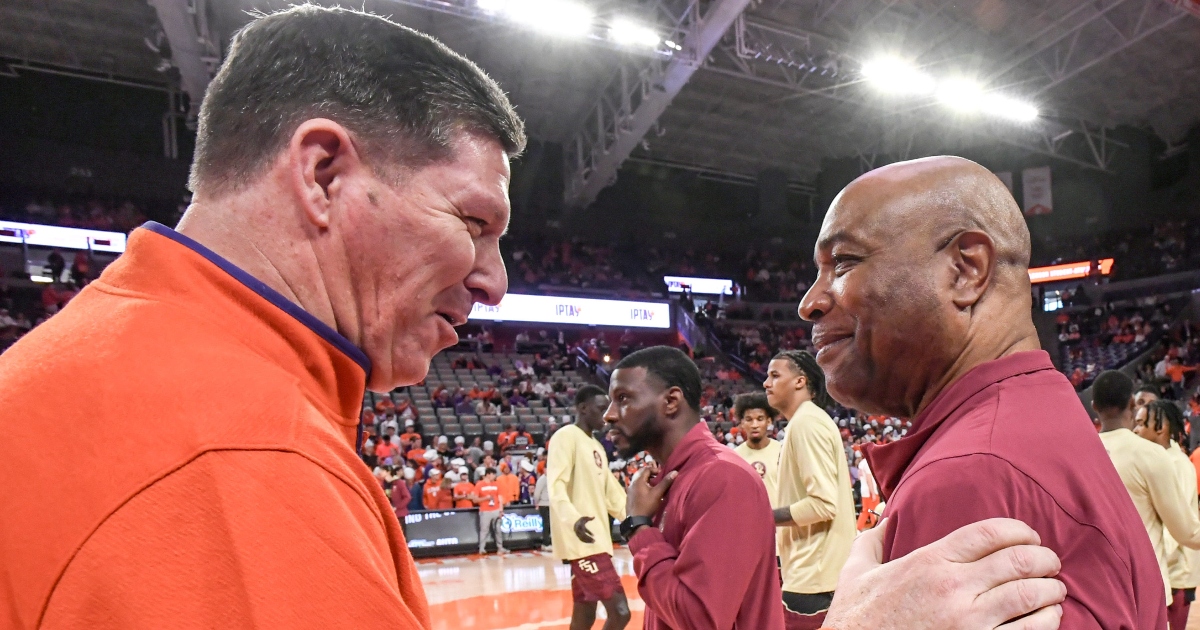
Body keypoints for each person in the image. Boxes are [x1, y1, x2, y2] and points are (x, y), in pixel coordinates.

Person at [0, 6, 525, 628]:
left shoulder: (76, 360)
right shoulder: (243, 457)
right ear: (322, 174)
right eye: (474, 224)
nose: (494, 283)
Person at [802, 155, 1164, 628]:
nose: (811, 302)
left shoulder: (970, 472)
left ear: (966, 270)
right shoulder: (1034, 412)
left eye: (844, 263)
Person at [605, 346, 782, 629]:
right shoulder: (677, 476)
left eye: (623, 398)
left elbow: (699, 621)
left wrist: (638, 527)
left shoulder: (723, 477)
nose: (609, 415)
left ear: (672, 401)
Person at [1095, 371, 1200, 615]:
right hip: (1144, 584)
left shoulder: (1078, 453)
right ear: (1132, 403)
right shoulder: (1151, 454)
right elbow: (1186, 531)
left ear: (1094, 406)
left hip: (1099, 588)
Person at [762, 350, 854, 629]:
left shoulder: (806, 423)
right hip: (815, 572)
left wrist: (762, 516)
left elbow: (823, 505)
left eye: (775, 375)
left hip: (814, 576)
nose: (766, 383)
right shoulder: (807, 421)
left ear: (800, 381)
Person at [547, 384, 630, 630]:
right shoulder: (565, 436)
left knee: (584, 616)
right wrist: (573, 519)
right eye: (601, 408)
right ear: (583, 408)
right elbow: (556, 485)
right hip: (582, 541)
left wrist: (639, 520)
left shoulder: (596, 446)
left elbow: (612, 494)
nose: (607, 415)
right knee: (621, 612)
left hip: (598, 540)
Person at [1134, 399, 1200, 629]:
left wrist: (1151, 560)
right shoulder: (1153, 460)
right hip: (1163, 570)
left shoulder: (1178, 464)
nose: (1135, 430)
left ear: (1160, 428)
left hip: (1177, 572)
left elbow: (1177, 524)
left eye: (1142, 424)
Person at [732, 392, 782, 506]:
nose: (755, 425)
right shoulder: (735, 457)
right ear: (742, 423)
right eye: (749, 419)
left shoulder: (782, 451)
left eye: (760, 419)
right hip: (747, 521)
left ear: (769, 421)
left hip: (780, 521)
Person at [473, 468, 507, 555]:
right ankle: (482, 548)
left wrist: (501, 510)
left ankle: (500, 548)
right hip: (485, 510)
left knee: (498, 530)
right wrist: (485, 498)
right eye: (493, 474)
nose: (495, 476)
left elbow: (500, 497)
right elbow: (474, 499)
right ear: (488, 474)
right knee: (484, 530)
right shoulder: (479, 485)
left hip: (496, 509)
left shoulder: (496, 484)